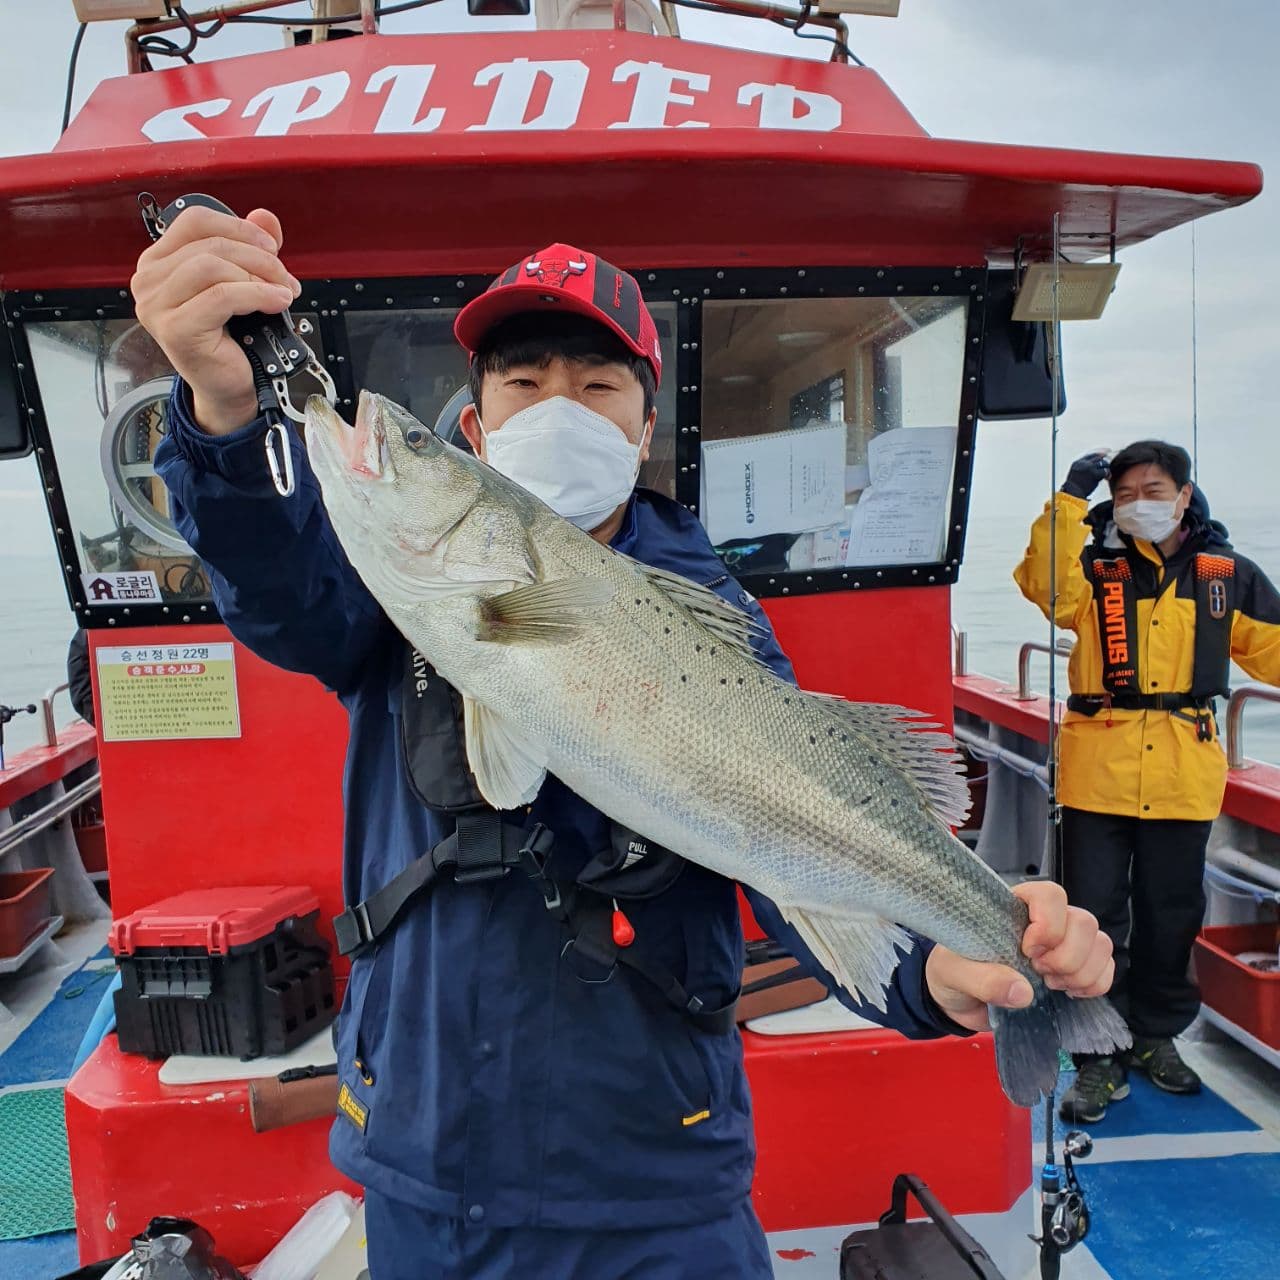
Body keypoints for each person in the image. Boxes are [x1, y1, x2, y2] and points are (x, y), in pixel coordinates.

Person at [132, 206, 1114, 1279]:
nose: (558, 406)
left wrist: (942, 972)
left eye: (598, 386)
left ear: (643, 428)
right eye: (520, 381)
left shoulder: (713, 616)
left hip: (658, 1169)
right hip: (425, 1152)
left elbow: (802, 865)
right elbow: (280, 592)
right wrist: (225, 415)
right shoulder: (388, 599)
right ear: (474, 432)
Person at [1015, 440, 1280, 1125]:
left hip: (1184, 772)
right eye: (1125, 493)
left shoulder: (1227, 576)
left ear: (1185, 496)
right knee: (1093, 917)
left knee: (1172, 915)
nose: (1140, 504)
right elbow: (1038, 584)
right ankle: (1096, 1054)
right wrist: (1068, 498)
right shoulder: (1091, 568)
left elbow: (1275, 651)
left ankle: (1157, 1037)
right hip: (1095, 774)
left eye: (1154, 491)